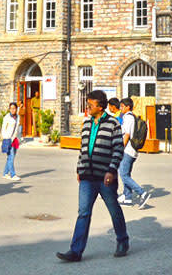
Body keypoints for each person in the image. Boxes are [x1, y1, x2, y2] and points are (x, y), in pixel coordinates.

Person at [56, 90, 129, 262]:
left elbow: (118, 150)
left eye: (90, 105)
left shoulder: (113, 124)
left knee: (114, 210)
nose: (88, 108)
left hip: (105, 177)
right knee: (83, 213)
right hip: (87, 176)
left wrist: (111, 170)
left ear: (100, 106)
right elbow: (83, 149)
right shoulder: (87, 123)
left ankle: (122, 241)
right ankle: (76, 251)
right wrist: (79, 169)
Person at [117, 98, 151, 209]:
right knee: (126, 174)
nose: (120, 108)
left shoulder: (128, 118)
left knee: (123, 174)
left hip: (128, 150)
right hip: (131, 151)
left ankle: (142, 193)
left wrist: (119, 148)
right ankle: (128, 198)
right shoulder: (130, 117)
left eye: (122, 106)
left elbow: (126, 135)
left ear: (127, 107)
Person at [1, 102, 22, 180]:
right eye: (11, 108)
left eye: (14, 108)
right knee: (11, 156)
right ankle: (13, 175)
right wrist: (6, 138)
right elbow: (3, 129)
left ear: (16, 109)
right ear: (9, 109)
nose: (13, 110)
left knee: (11, 157)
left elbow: (17, 129)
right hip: (8, 139)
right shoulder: (7, 117)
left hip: (15, 139)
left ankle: (5, 173)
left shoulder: (18, 117)